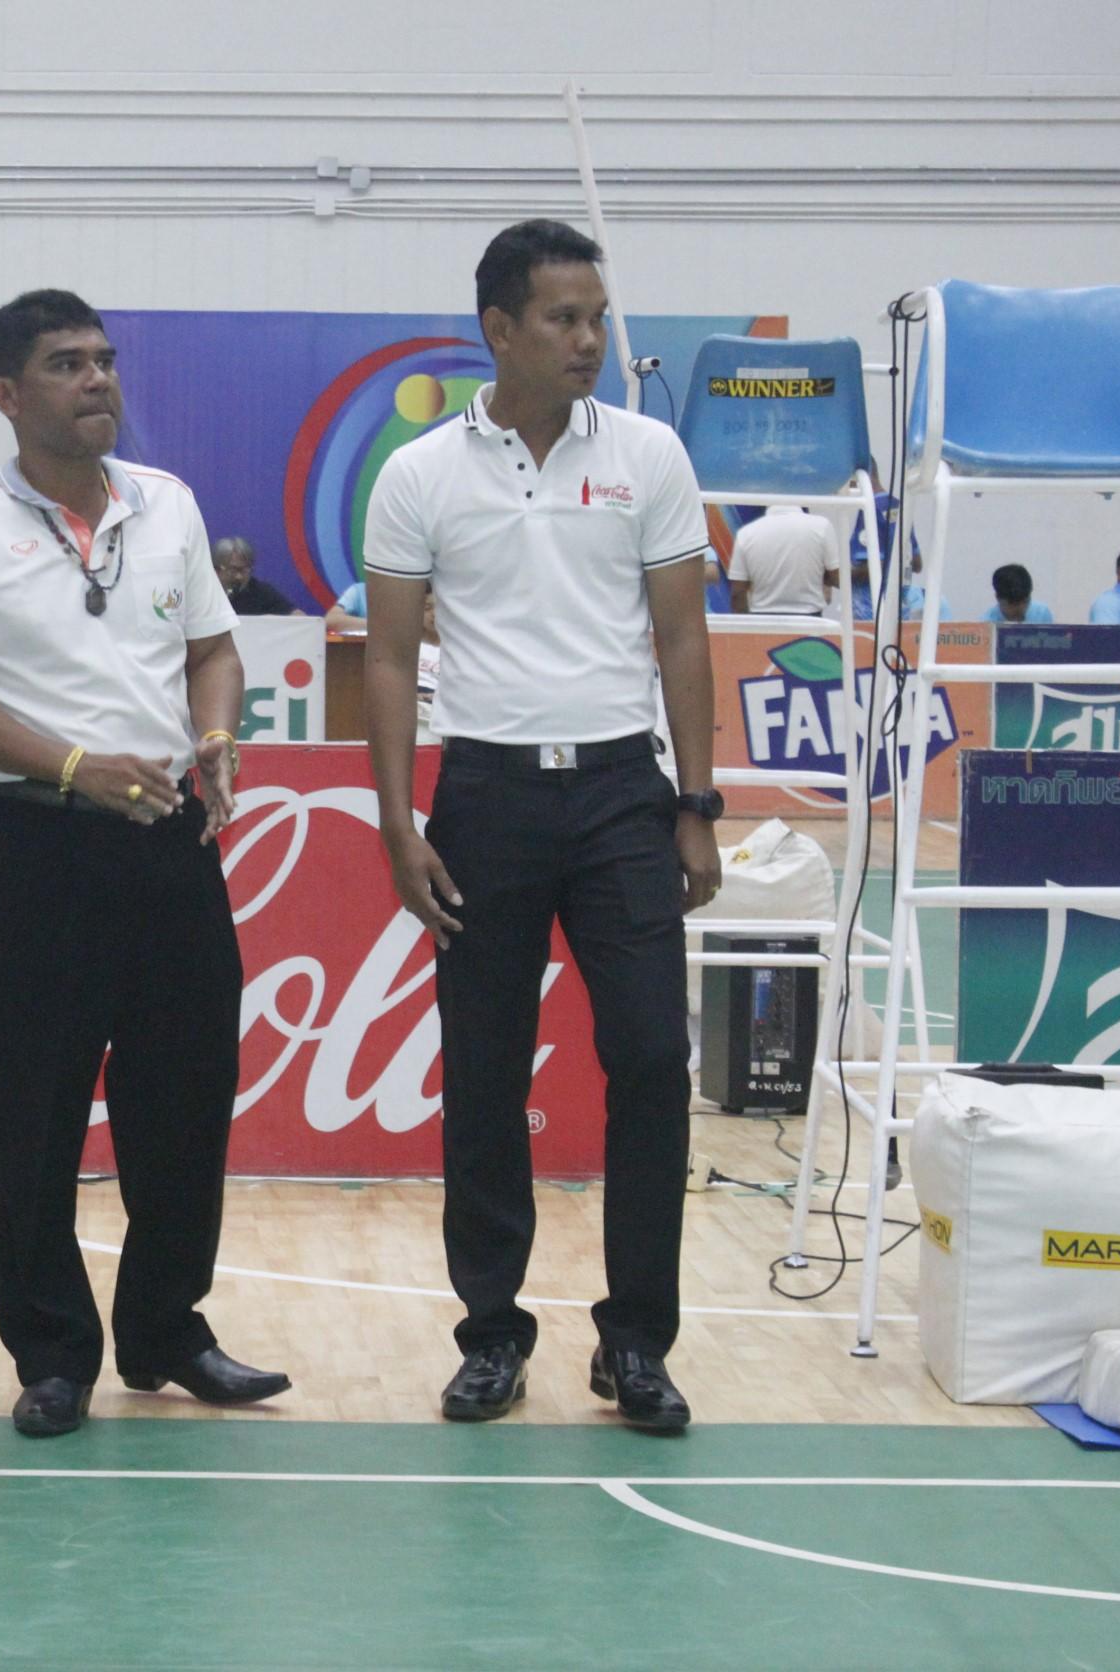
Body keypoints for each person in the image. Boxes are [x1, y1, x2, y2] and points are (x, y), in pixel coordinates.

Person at [0, 288, 291, 1439]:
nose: (97, 380)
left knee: (185, 1096)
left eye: (104, 360)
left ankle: (167, 1327)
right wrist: (78, 768)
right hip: (37, 842)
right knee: (38, 1105)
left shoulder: (168, 504)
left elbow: (214, 649)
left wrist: (214, 732)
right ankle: (53, 1351)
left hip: (169, 835)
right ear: (6, 393)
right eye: (67, 363)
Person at [363, 220, 721, 1434]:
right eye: (564, 319)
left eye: (597, 318)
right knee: (482, 1072)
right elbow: (391, 656)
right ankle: (491, 1335)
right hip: (485, 799)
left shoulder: (650, 454)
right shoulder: (420, 474)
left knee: (653, 1061)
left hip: (624, 794)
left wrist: (696, 804)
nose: (589, 339)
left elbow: (682, 635)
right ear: (499, 329)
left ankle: (637, 1342)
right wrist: (399, 823)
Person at [726, 505, 839, 614]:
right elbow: (838, 579)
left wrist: (748, 622)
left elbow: (737, 593)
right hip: (810, 620)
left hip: (763, 620)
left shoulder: (745, 534)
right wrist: (820, 576)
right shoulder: (822, 527)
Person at [212, 536, 298, 615]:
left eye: (245, 570)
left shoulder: (261, 592)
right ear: (216, 569)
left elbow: (298, 617)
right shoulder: (206, 592)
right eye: (233, 570)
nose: (239, 577)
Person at [983, 563, 1054, 624]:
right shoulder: (986, 624)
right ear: (998, 598)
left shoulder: (1042, 613)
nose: (1020, 608)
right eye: (1013, 604)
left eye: (1025, 601)